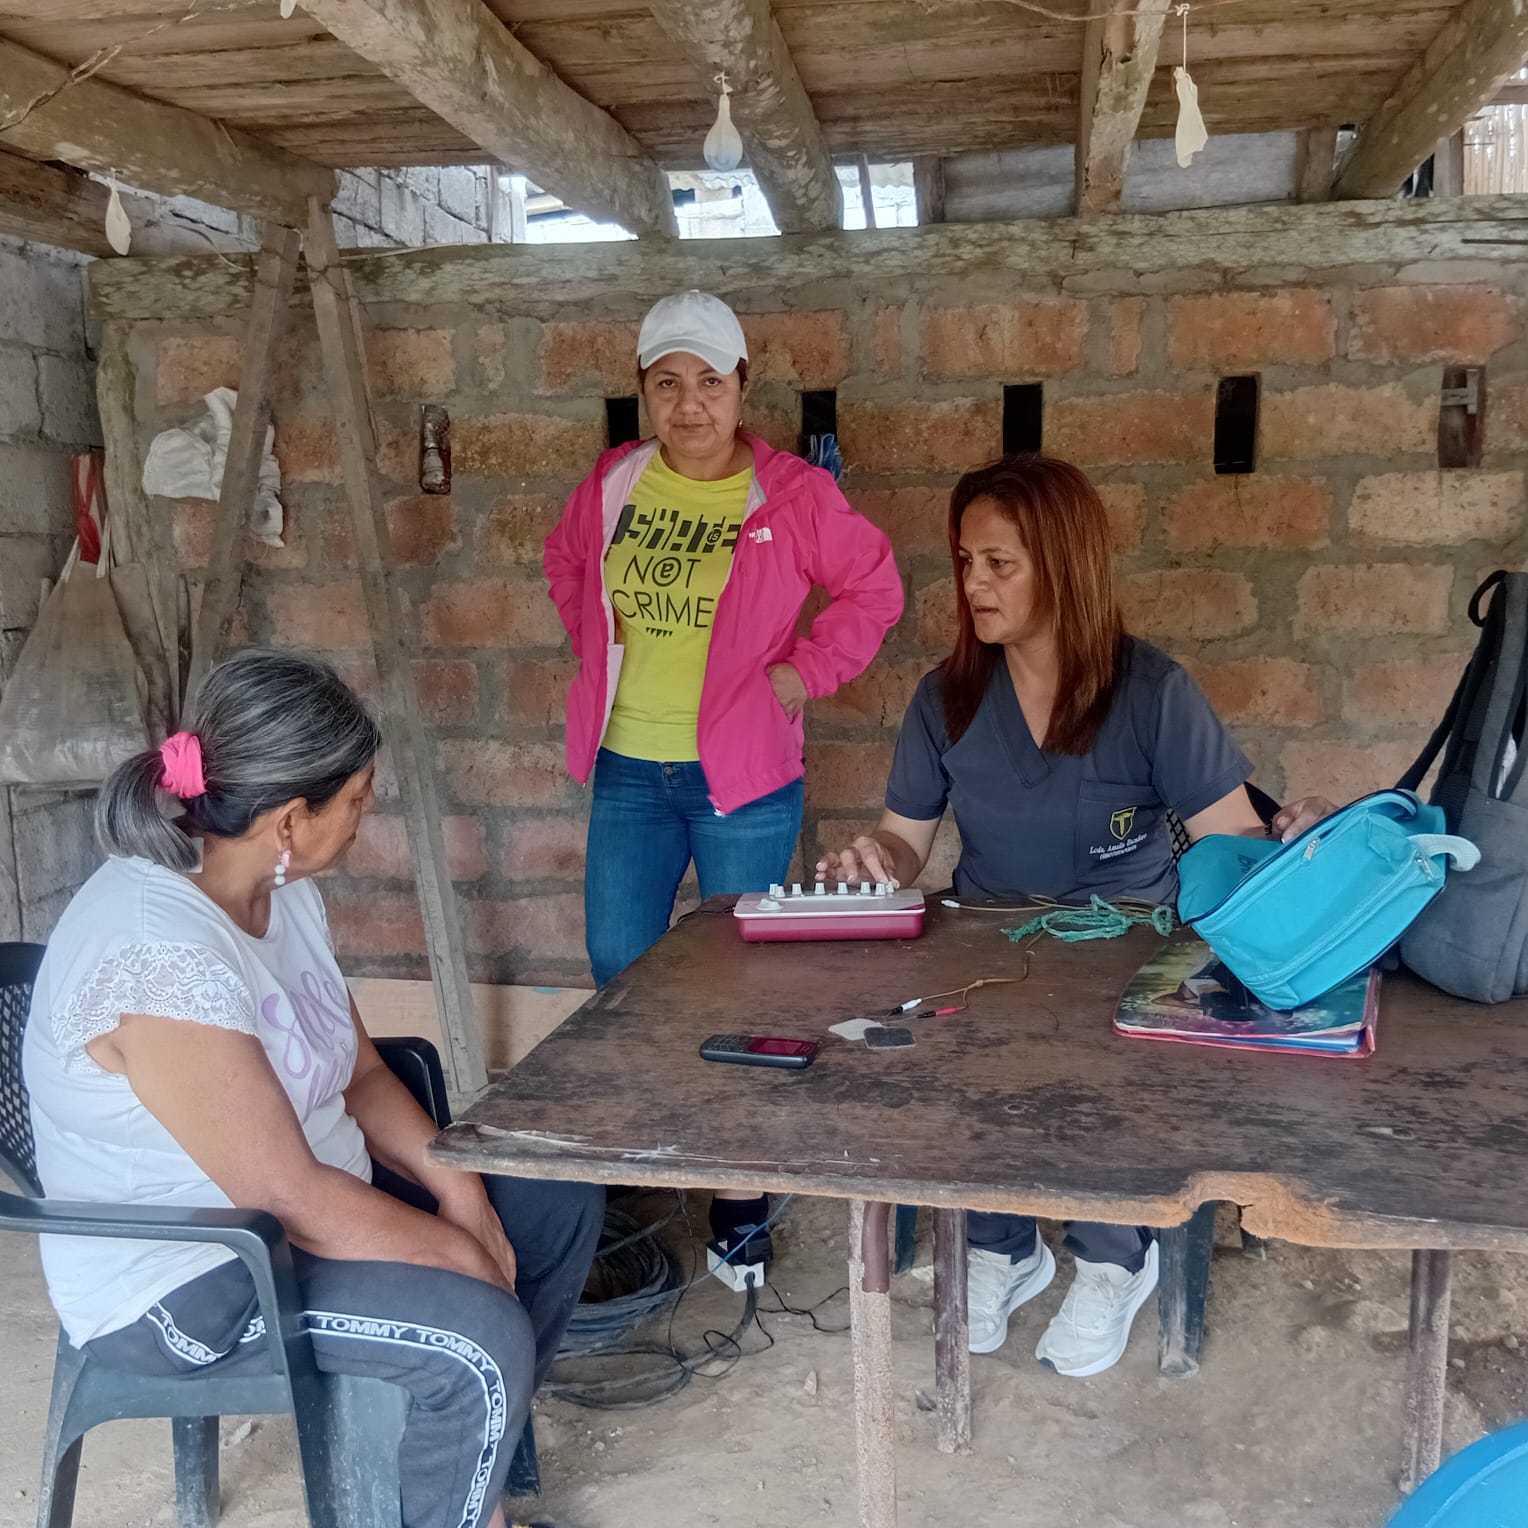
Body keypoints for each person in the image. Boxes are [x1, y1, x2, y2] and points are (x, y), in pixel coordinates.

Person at [23, 649, 603, 1528]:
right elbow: (284, 1196)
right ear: (291, 817)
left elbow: (358, 1073)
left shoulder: (279, 887)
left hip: (306, 1203)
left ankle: (457, 1471)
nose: (366, 817)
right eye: (359, 800)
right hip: (189, 1274)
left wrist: (456, 1188)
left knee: (554, 1200)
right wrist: (461, 1259)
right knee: (477, 1330)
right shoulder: (156, 955)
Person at [817, 455, 1332, 1379]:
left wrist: (1297, 836)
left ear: (1062, 565)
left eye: (1000, 564)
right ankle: (1003, 1249)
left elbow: (1234, 845)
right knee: (969, 1054)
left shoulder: (1151, 692)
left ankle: (1114, 1259)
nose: (974, 584)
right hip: (989, 940)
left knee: (1109, 1067)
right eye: (966, 561)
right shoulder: (946, 699)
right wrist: (873, 861)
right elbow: (904, 841)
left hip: (1124, 946)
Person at [544, 289, 903, 1265]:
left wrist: (803, 673)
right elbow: (568, 564)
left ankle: (741, 1192)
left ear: (743, 386)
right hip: (628, 767)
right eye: (667, 383)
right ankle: (659, 1142)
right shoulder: (615, 482)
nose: (689, 403)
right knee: (620, 962)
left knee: (741, 982)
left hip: (740, 778)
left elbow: (874, 589)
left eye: (709, 380)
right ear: (643, 391)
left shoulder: (791, 494)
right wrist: (596, 650)